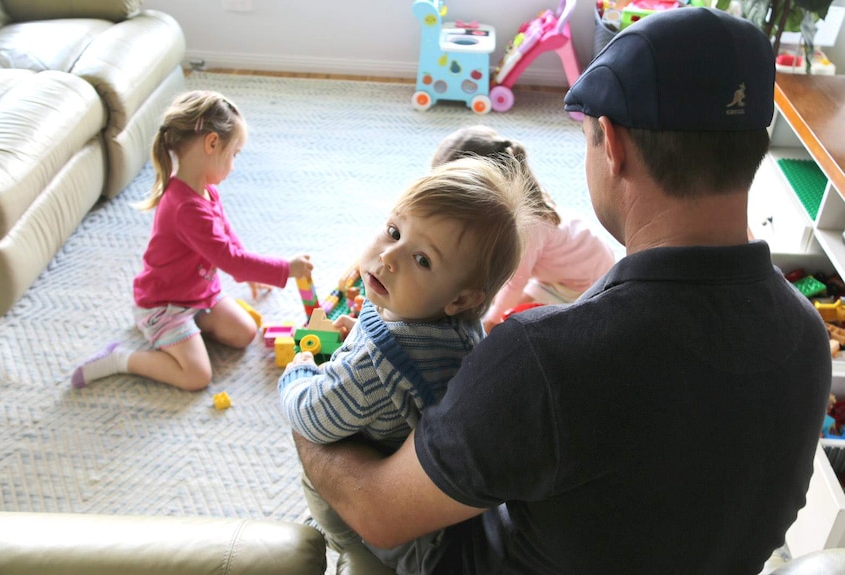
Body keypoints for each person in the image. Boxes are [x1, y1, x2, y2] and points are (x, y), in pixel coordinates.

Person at [289, 8, 833, 574]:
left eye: (587, 137)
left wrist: (307, 399)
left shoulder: (545, 358)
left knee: (337, 451)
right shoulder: (806, 335)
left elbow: (378, 510)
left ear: (613, 146)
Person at [278, 156, 532, 573]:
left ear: (462, 298)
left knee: (320, 475)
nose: (390, 256)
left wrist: (300, 371)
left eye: (423, 260)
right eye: (394, 231)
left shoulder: (372, 367)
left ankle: (346, 545)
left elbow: (312, 415)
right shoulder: (458, 325)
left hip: (399, 536)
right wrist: (357, 332)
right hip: (437, 501)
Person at [72, 90, 313, 391]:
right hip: (165, 304)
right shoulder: (186, 207)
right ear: (212, 143)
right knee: (197, 377)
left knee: (245, 333)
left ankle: (190, 332)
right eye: (234, 154)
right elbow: (231, 262)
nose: (234, 165)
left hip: (199, 294)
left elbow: (228, 240)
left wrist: (254, 272)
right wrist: (284, 268)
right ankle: (121, 358)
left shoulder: (207, 190)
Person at [431, 125, 616, 333]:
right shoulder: (524, 203)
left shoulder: (525, 229)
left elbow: (514, 283)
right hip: (584, 257)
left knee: (512, 320)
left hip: (581, 283)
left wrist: (491, 322)